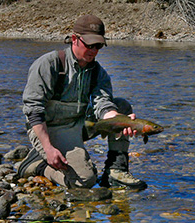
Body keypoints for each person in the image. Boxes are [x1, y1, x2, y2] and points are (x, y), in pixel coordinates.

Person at [18, 14, 147, 190]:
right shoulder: (49, 64)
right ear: (74, 39)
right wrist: (48, 148)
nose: (94, 50)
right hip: (47, 127)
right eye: (90, 45)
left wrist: (119, 120)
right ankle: (38, 165)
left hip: (78, 124)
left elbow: (103, 103)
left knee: (122, 106)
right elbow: (33, 110)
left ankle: (115, 171)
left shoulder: (97, 72)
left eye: (99, 46)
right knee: (84, 181)